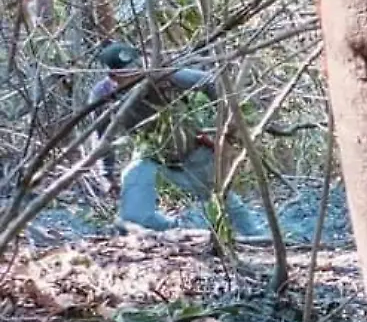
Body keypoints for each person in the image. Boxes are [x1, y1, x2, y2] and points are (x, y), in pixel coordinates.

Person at [89, 42, 265, 238]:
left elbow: (209, 82)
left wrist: (227, 121)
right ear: (113, 76)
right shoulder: (103, 95)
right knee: (132, 213)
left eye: (137, 67)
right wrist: (107, 175)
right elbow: (103, 138)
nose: (136, 74)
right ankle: (174, 230)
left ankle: (257, 236)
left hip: (188, 145)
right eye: (128, 73)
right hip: (150, 151)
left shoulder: (162, 75)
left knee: (219, 195)